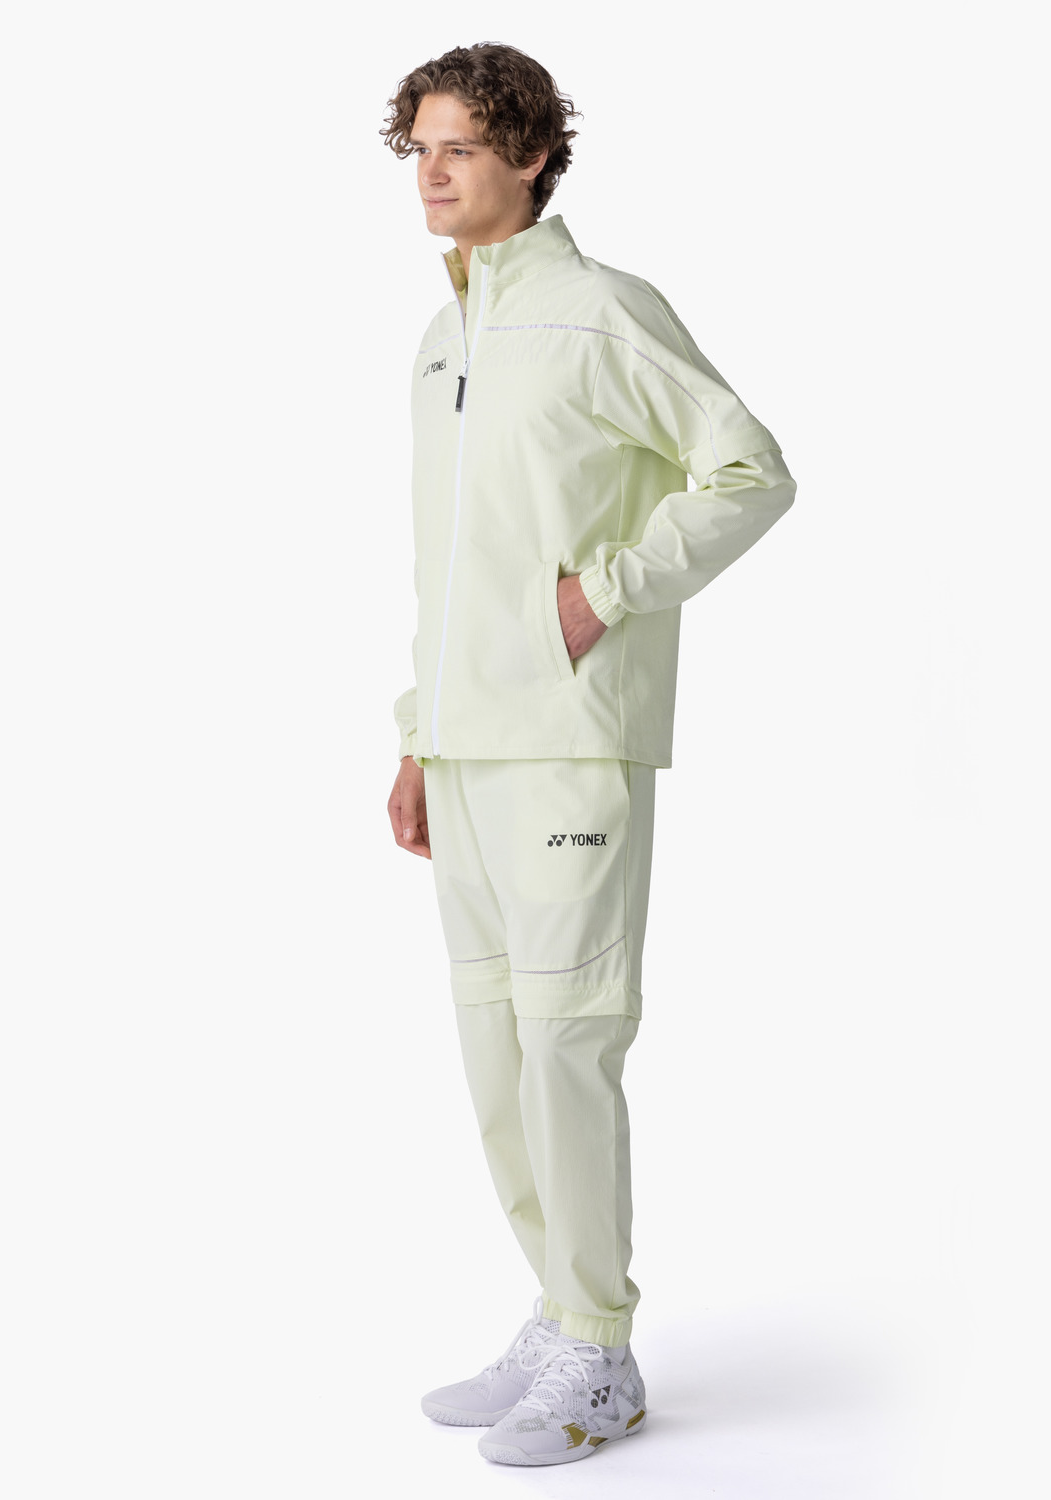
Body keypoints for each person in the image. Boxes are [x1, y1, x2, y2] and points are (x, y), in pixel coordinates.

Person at [381, 42, 796, 1467]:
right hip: (466, 751)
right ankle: (560, 1308)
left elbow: (750, 467)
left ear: (534, 155)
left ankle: (601, 1354)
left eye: (460, 147)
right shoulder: (444, 337)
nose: (432, 174)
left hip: (567, 746)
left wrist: (605, 593)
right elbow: (448, 569)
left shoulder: (603, 312)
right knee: (495, 1047)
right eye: (420, 149)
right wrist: (418, 735)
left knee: (568, 1042)